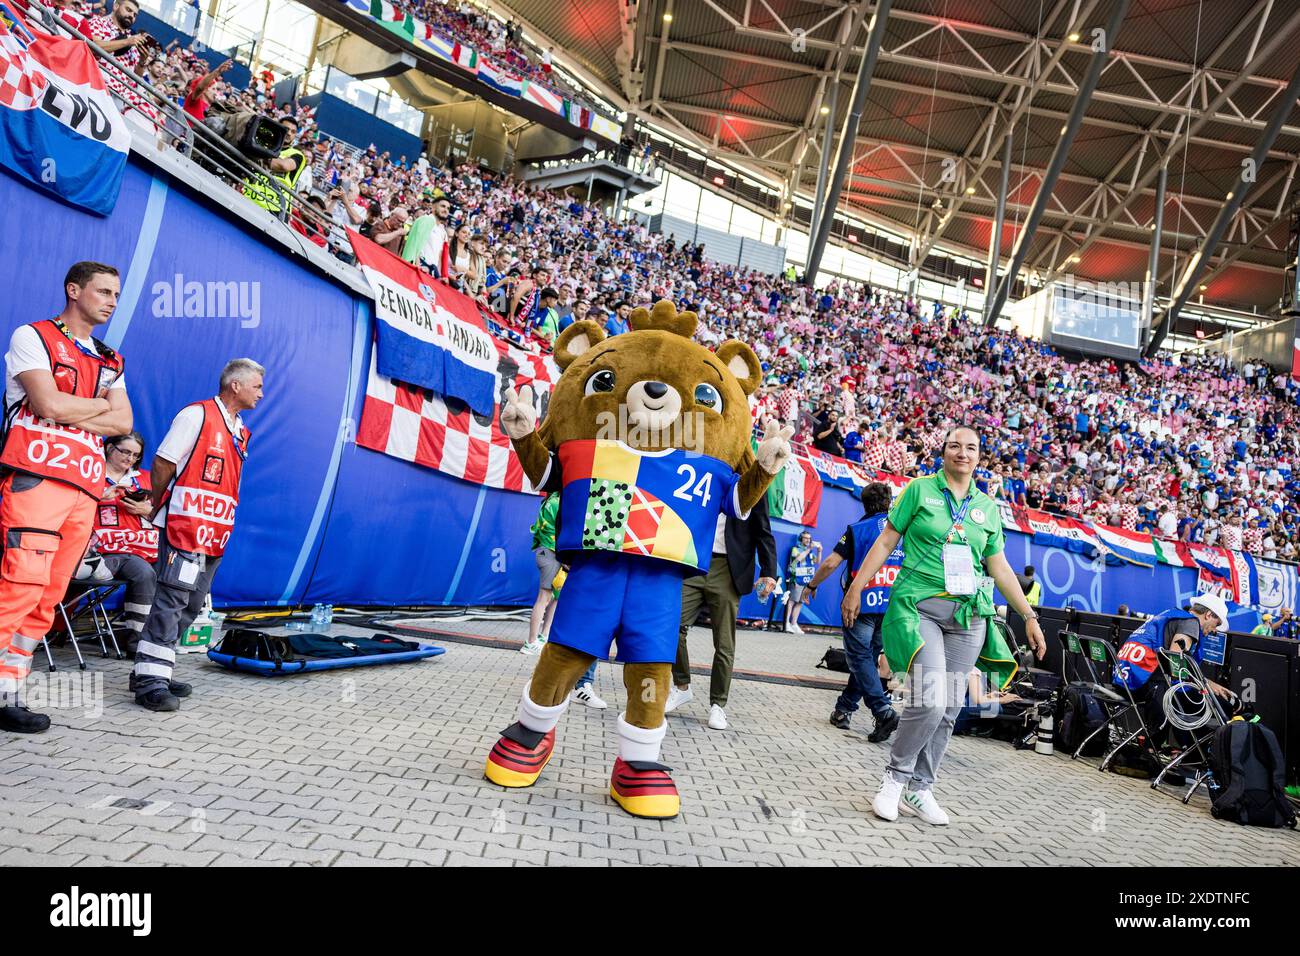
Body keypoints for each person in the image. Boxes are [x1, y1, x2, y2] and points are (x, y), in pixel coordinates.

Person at [842, 425, 1046, 825]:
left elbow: (998, 566)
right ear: (944, 451)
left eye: (971, 447)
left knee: (950, 706)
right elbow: (885, 541)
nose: (963, 453)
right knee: (930, 698)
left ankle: (921, 788)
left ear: (979, 456)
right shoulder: (919, 490)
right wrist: (856, 587)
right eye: (955, 445)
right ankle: (894, 779)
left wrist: (1029, 616)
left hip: (968, 617)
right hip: (920, 607)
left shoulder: (986, 508)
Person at [0, 262, 132, 732]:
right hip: (36, 478)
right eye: (103, 291)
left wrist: (80, 409)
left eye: (117, 293)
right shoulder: (32, 335)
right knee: (20, 586)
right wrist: (99, 406)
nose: (112, 300)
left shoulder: (111, 359)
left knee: (48, 596)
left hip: (84, 489)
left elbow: (124, 425)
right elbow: (47, 404)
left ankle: (7, 691)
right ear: (73, 291)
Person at [130, 359, 262, 711]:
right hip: (184, 528)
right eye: (257, 386)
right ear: (235, 385)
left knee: (190, 604)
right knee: (171, 601)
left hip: (214, 533)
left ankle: (152, 666)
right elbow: (162, 463)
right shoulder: (196, 415)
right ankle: (150, 683)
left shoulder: (241, 430)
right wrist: (159, 503)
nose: (261, 394)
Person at [666, 496, 779, 731]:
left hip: (729, 568)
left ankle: (718, 704)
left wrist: (769, 571)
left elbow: (764, 532)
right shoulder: (707, 476)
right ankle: (682, 686)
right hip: (695, 561)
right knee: (671, 625)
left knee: (724, 642)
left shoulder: (753, 487)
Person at [805, 482, 902, 741]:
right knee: (866, 662)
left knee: (860, 660)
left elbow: (830, 563)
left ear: (863, 503)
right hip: (891, 606)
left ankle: (883, 710)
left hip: (860, 604)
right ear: (889, 501)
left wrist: (812, 584)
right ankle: (844, 710)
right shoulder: (901, 531)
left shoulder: (857, 529)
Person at [1112, 594, 1235, 751]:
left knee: (1193, 698)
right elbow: (1175, 666)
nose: (1213, 631)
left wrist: (1207, 683)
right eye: (1215, 624)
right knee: (1218, 705)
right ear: (1208, 614)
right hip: (1148, 686)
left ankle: (1185, 751)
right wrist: (1207, 685)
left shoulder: (1168, 615)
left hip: (1125, 681)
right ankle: (1195, 755)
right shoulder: (1191, 623)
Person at [522, 494, 605, 706]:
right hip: (551, 552)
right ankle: (532, 641)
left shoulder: (561, 499)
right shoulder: (558, 501)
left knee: (556, 599)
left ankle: (543, 636)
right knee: (545, 597)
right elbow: (554, 530)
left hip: (558, 553)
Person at [92, 431, 159, 656]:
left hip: (143, 549)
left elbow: (166, 511)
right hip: (101, 552)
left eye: (135, 455)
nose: (130, 459)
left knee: (172, 571)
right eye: (126, 452)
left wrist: (148, 510)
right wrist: (97, 497)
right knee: (143, 571)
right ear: (110, 448)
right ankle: (136, 644)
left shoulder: (145, 478)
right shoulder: (90, 473)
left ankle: (152, 638)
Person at [241, 116, 307, 215]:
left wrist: (256, 153)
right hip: (247, 199)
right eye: (286, 129)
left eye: (293, 132)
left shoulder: (297, 155)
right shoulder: (260, 143)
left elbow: (284, 166)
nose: (289, 133)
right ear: (277, 127)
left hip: (275, 209)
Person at [782, 530, 820, 634]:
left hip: (806, 579)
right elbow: (798, 559)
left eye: (809, 538)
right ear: (801, 539)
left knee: (800, 602)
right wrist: (809, 549)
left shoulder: (810, 551)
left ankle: (794, 623)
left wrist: (820, 551)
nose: (808, 540)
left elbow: (817, 562)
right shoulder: (795, 549)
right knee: (792, 601)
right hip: (796, 578)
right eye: (806, 538)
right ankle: (786, 623)